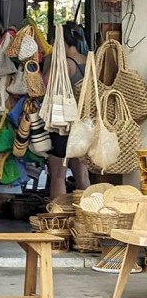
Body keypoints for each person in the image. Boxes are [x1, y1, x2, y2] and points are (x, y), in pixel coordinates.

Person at [47, 22, 91, 198]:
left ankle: (58, 217)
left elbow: (45, 84)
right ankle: (86, 213)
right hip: (83, 125)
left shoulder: (65, 63)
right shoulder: (87, 60)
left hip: (64, 124)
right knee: (82, 175)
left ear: (61, 42)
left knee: (58, 175)